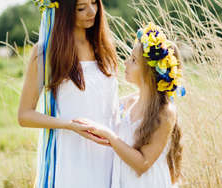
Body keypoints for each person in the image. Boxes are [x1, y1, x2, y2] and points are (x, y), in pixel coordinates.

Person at [17, 0, 119, 188]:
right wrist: (69, 125)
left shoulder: (104, 47)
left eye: (94, 3)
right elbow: (24, 115)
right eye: (81, 8)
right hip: (70, 157)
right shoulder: (46, 53)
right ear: (64, 11)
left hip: (108, 154)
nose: (92, 12)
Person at [75, 22, 185, 187]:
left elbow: (142, 164)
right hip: (124, 181)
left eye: (133, 60)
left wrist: (110, 137)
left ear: (149, 71)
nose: (126, 63)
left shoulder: (165, 112)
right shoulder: (129, 102)